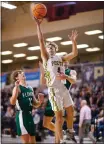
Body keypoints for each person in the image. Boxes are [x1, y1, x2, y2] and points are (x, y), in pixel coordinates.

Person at [34, 15, 78, 143]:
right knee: (58, 118)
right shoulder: (46, 58)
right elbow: (41, 40)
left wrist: (74, 42)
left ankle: (69, 132)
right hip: (54, 90)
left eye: (52, 47)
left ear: (56, 49)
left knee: (71, 111)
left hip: (63, 88)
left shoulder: (61, 58)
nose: (50, 49)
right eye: (48, 48)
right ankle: (60, 140)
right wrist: (38, 25)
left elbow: (74, 54)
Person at [39, 61, 77, 143]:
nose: (64, 61)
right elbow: (43, 82)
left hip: (62, 98)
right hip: (51, 98)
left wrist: (65, 76)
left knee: (58, 123)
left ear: (68, 62)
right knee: (45, 124)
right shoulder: (53, 71)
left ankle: (60, 136)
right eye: (62, 60)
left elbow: (74, 80)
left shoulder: (71, 71)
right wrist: (42, 72)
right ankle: (61, 132)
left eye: (66, 60)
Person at [10, 70, 44, 144]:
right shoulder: (17, 88)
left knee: (33, 141)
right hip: (22, 115)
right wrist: (16, 88)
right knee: (26, 141)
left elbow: (35, 104)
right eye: (20, 73)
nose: (22, 73)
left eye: (22, 73)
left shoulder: (30, 88)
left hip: (29, 115)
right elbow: (12, 102)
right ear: (17, 78)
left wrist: (40, 101)